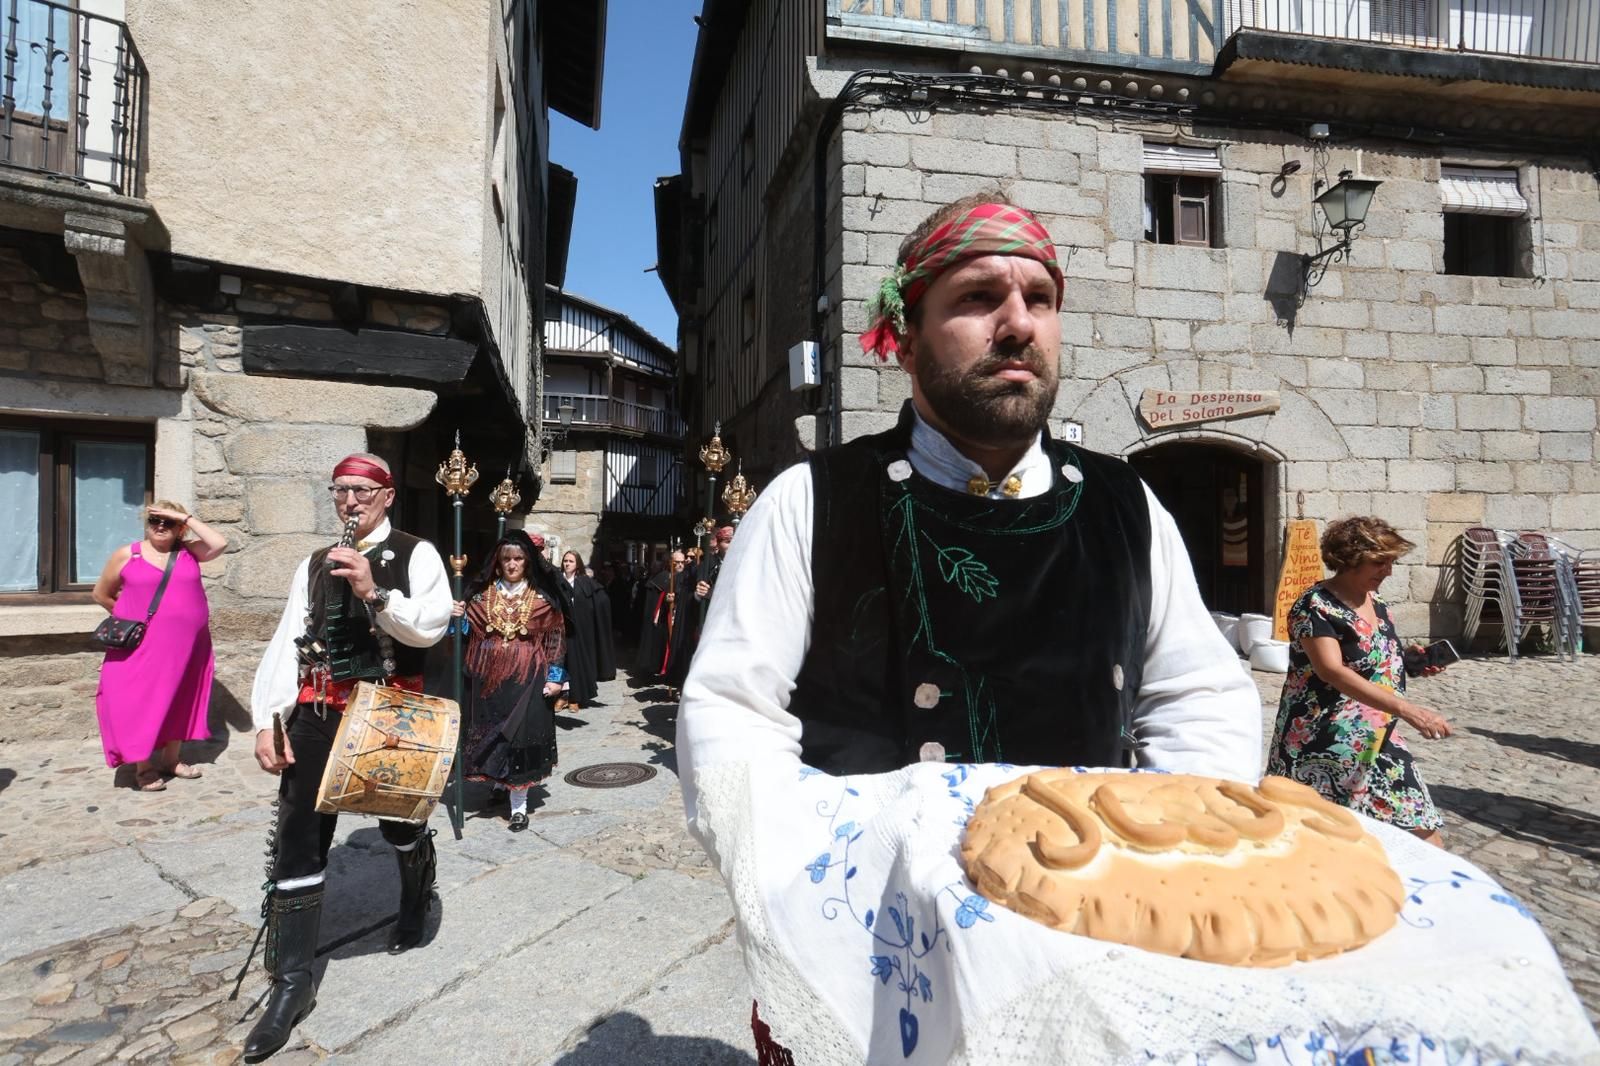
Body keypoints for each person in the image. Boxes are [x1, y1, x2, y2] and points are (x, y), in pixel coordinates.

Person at [676, 195, 1261, 1058]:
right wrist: (825, 889)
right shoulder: (811, 500)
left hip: (1083, 933)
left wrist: (1154, 870)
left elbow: (1199, 695)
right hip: (870, 949)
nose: (1018, 324)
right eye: (980, 297)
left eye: (1040, 299)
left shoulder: (1125, 505)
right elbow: (731, 716)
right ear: (906, 337)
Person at [244, 453, 452, 1063]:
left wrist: (373, 590)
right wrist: (269, 720)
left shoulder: (416, 553)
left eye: (362, 491)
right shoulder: (312, 562)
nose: (350, 502)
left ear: (387, 495)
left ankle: (414, 897)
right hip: (317, 712)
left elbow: (432, 627)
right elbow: (289, 639)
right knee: (298, 835)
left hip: (391, 713)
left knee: (401, 826)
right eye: (341, 491)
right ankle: (291, 982)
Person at [1266, 516, 1450, 846]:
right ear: (1350, 559)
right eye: (1379, 562)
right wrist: (1407, 709)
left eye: (1391, 562)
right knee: (1320, 838)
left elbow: (1370, 659)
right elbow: (1331, 670)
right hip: (1324, 742)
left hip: (1377, 736)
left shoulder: (1375, 602)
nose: (1388, 571)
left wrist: (1410, 661)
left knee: (1418, 832)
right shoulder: (1314, 607)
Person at [91, 500, 228, 791]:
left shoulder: (188, 552)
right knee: (138, 700)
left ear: (180, 528)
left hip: (189, 645)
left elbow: (219, 543)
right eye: (155, 520)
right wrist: (133, 621)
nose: (161, 526)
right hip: (143, 646)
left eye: (169, 522)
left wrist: (185, 517)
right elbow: (102, 594)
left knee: (181, 696)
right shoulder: (128, 554)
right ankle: (143, 766)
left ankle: (171, 759)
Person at [453, 530, 569, 832]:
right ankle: (497, 785)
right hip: (487, 678)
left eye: (518, 558)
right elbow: (460, 636)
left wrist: (556, 679)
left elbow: (555, 638)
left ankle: (519, 807)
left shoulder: (543, 599)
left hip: (528, 676)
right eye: (507, 559)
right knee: (492, 734)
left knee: (519, 739)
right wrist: (457, 618)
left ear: (527, 562)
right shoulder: (479, 596)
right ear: (498, 562)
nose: (512, 564)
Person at [558, 548, 616, 705]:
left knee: (578, 662)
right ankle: (561, 694)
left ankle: (576, 695)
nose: (567, 564)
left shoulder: (584, 582)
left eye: (571, 561)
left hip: (582, 629)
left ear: (577, 565)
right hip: (561, 629)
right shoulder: (557, 580)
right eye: (565, 561)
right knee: (560, 661)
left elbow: (601, 599)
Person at [638, 549, 693, 691]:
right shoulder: (663, 578)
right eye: (677, 562)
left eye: (682, 562)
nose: (680, 565)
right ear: (670, 563)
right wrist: (665, 601)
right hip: (666, 620)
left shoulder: (688, 578)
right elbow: (656, 602)